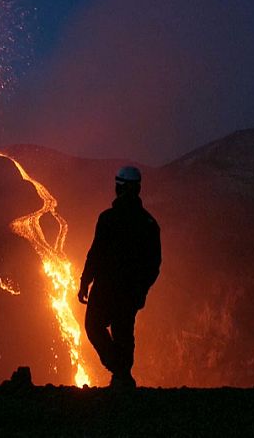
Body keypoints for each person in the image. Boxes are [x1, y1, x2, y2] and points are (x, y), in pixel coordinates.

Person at [78, 166, 161, 389]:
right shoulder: (149, 224)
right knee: (123, 332)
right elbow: (154, 264)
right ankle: (123, 377)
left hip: (105, 289)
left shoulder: (108, 219)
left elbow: (95, 253)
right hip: (130, 292)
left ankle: (120, 373)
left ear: (119, 188)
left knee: (94, 326)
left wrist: (85, 281)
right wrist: (141, 290)